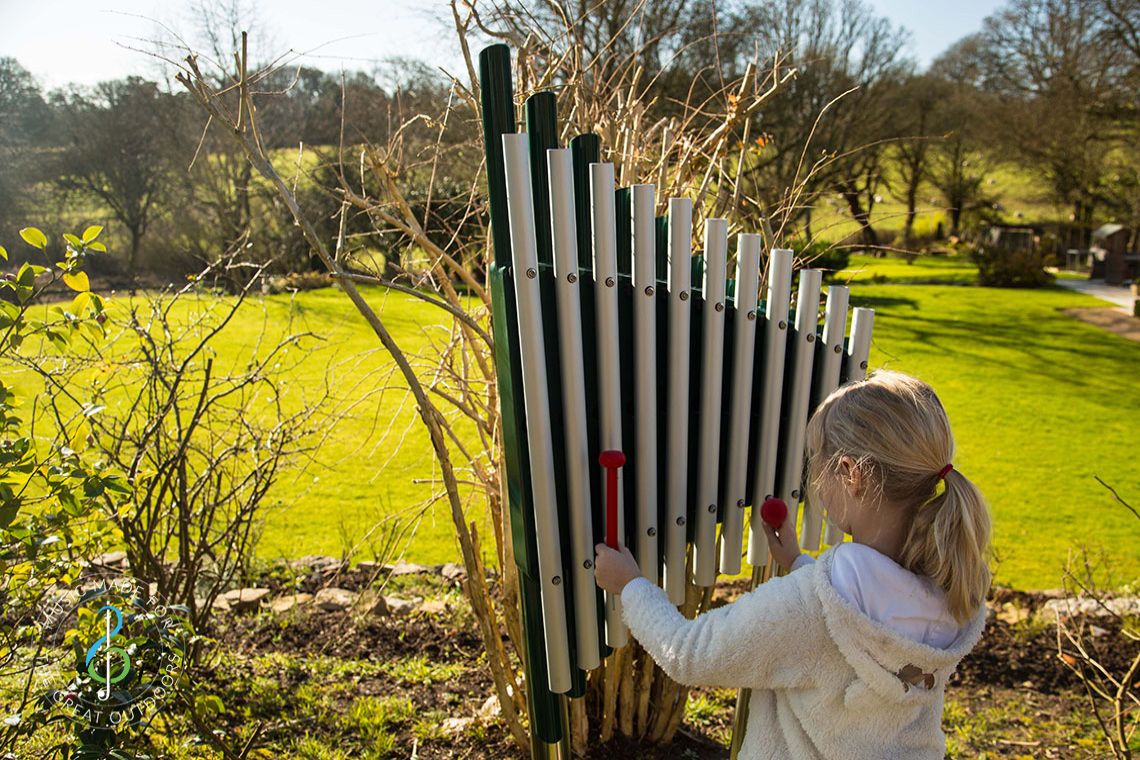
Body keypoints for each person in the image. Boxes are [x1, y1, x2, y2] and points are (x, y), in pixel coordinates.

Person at [594, 369, 992, 760]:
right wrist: (799, 563)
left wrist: (630, 585)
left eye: (818, 459)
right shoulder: (945, 595)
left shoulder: (814, 606)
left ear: (851, 474)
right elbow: (848, 627)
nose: (814, 475)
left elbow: (689, 653)